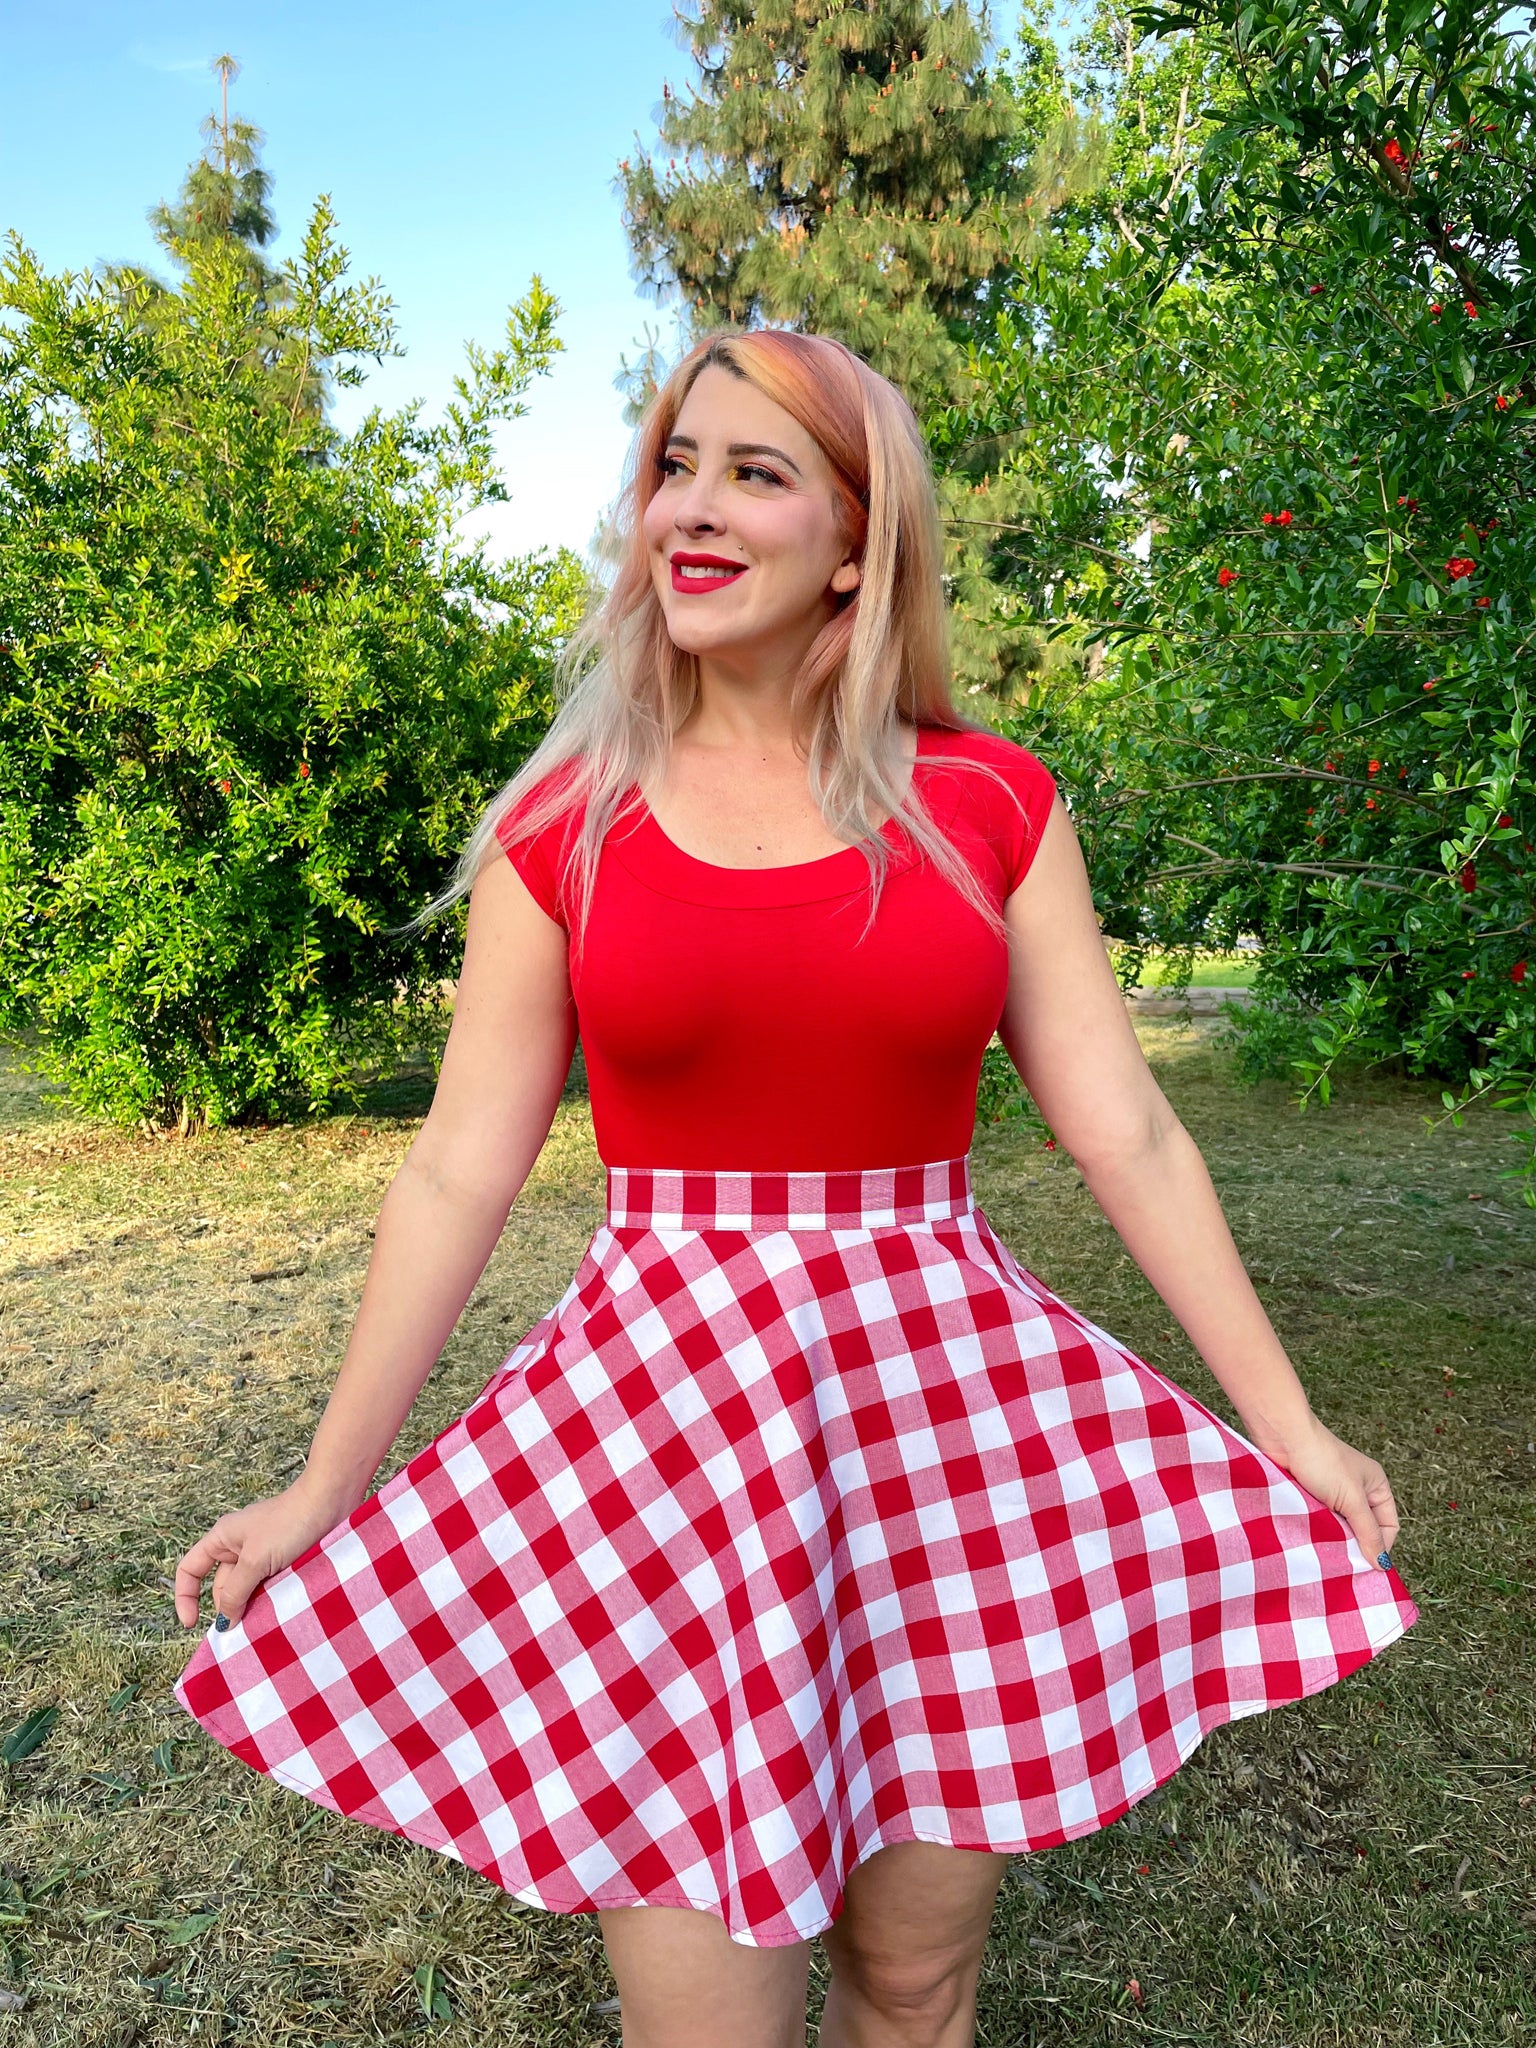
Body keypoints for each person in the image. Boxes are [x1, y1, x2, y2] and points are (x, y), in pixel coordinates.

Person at [173, 327, 1415, 2048]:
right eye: (677, 466)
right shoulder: (571, 823)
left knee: (914, 1984)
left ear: (858, 536)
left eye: (756, 474)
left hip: (942, 1439)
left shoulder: (988, 802)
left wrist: (1287, 1423)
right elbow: (461, 1165)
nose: (694, 508)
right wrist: (326, 1485)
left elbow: (1126, 1126)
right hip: (665, 1453)